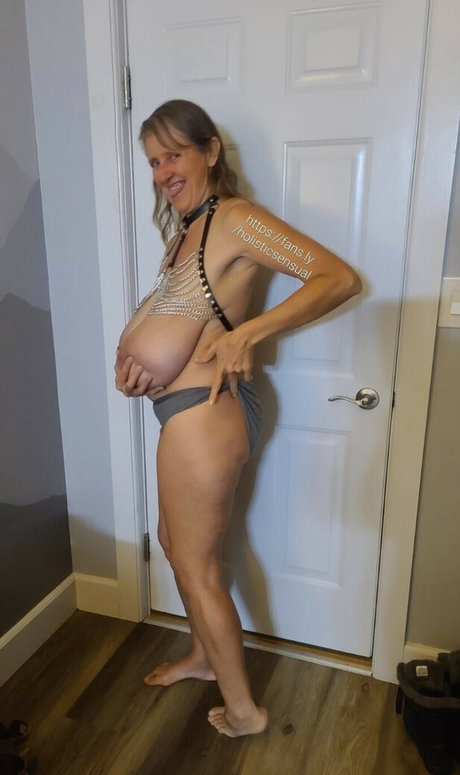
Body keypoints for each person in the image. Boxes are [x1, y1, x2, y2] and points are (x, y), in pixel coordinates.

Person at [115, 99, 362, 737]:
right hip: (183, 413)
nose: (162, 172)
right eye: (153, 161)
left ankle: (247, 712)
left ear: (210, 151)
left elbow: (336, 278)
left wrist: (247, 333)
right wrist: (136, 365)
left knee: (195, 567)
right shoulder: (188, 229)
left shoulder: (235, 218)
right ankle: (204, 657)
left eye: (174, 155)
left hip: (207, 413)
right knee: (176, 546)